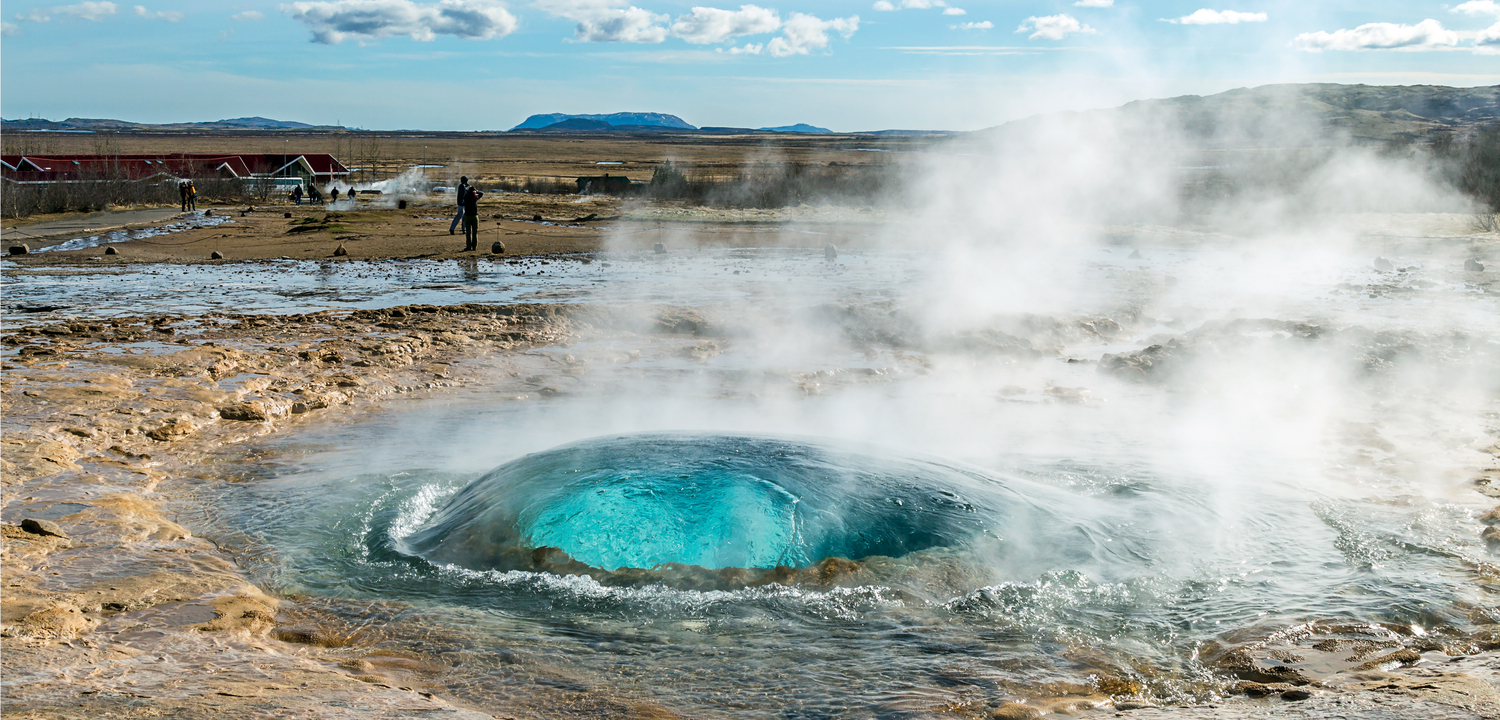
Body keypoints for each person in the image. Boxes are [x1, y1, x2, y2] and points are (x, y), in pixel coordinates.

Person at [461, 184, 484, 251]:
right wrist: (476, 191)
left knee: (468, 233)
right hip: (474, 216)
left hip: (467, 216)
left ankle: (468, 246)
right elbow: (482, 193)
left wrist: (468, 191)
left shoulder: (466, 196)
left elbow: (463, 200)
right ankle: (474, 246)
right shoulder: (475, 197)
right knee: (475, 232)